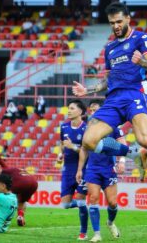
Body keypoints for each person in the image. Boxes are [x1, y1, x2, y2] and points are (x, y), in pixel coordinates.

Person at [72, 2, 147, 184]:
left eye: (119, 21)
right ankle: (133, 154)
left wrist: (142, 62)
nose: (116, 26)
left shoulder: (141, 38)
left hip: (135, 94)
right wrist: (87, 90)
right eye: (112, 23)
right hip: (113, 100)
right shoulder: (109, 48)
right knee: (88, 141)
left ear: (128, 19)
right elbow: (108, 80)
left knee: (144, 140)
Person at [76, 101, 126, 241]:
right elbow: (84, 149)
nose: (93, 112)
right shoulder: (88, 128)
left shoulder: (113, 126)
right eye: (91, 110)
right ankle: (97, 234)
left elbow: (123, 143)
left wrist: (121, 161)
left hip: (109, 169)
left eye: (96, 110)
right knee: (93, 199)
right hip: (92, 169)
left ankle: (110, 222)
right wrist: (80, 169)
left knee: (112, 203)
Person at [57, 100, 89, 240]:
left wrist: (73, 147)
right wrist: (60, 153)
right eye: (68, 108)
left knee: (81, 200)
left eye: (72, 108)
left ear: (80, 112)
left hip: (83, 169)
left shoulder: (86, 129)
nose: (68, 111)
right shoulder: (64, 126)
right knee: (65, 204)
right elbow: (62, 144)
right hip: (67, 169)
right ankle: (84, 204)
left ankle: (83, 232)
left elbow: (86, 151)